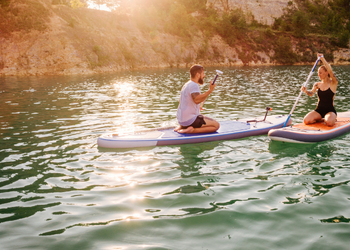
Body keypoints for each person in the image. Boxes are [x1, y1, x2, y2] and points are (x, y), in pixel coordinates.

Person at [175, 64, 220, 134]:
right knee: (216, 125)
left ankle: (182, 126)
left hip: (181, 120)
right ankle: (192, 130)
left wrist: (197, 107)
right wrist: (210, 91)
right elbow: (196, 100)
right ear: (197, 75)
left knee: (200, 115)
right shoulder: (194, 85)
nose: (204, 76)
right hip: (189, 121)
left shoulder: (187, 84)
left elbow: (182, 101)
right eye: (203, 74)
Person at [301, 53, 338, 126]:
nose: (319, 75)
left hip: (330, 111)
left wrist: (322, 59)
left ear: (326, 72)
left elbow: (331, 71)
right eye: (318, 73)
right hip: (319, 110)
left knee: (329, 123)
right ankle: (321, 119)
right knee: (306, 120)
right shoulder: (317, 84)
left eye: (320, 73)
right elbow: (311, 93)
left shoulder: (333, 83)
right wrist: (305, 91)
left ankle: (332, 118)